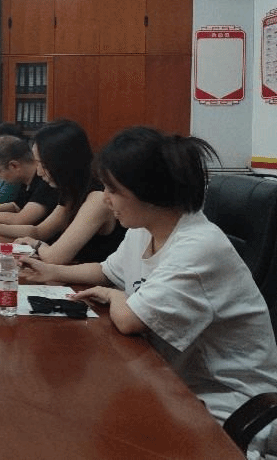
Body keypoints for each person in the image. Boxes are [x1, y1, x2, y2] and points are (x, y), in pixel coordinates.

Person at [21, 126, 277, 457]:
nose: (105, 198)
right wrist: (53, 271)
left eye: (113, 190)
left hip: (227, 403)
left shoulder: (199, 247)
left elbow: (129, 319)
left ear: (148, 192)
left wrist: (115, 296)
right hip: (172, 379)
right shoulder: (146, 228)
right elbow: (108, 270)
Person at [0, 119, 124, 263]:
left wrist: (35, 244)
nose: (39, 172)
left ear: (62, 163)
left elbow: (54, 257)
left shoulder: (97, 199)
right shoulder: (72, 191)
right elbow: (40, 231)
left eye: (42, 165)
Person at [0, 135, 57, 226]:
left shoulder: (45, 182)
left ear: (14, 166)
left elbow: (20, 219)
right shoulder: (25, 180)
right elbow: (16, 206)